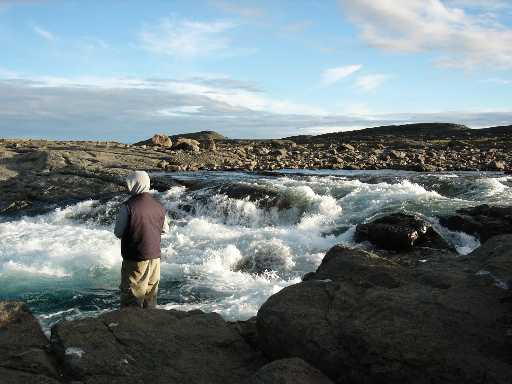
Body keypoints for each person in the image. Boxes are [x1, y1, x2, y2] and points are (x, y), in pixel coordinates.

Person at [114, 171, 169, 308]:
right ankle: (150, 324)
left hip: (135, 258)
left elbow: (118, 232)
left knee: (132, 297)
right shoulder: (158, 206)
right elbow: (165, 230)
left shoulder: (127, 206)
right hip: (155, 257)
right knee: (150, 296)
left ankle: (131, 327)